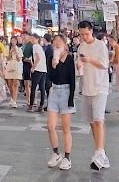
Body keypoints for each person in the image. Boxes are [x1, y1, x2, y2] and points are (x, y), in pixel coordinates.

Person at [77, 20, 110, 171]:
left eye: (86, 34)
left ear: (91, 31)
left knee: (98, 120)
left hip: (100, 87)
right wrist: (79, 65)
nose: (84, 37)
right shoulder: (81, 47)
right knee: (91, 121)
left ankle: (100, 153)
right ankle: (100, 151)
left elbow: (104, 65)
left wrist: (89, 60)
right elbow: (80, 65)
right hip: (87, 87)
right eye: (81, 34)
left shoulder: (100, 45)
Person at [46, 33, 76, 171]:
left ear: (65, 44)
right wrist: (54, 64)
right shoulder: (51, 58)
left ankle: (67, 157)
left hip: (66, 91)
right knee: (50, 126)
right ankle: (56, 153)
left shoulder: (69, 59)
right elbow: (50, 77)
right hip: (54, 91)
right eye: (55, 41)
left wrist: (71, 99)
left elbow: (72, 80)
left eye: (59, 41)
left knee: (65, 128)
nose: (57, 43)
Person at [27, 33, 47, 113]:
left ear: (36, 39)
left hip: (38, 69)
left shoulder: (35, 46)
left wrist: (33, 67)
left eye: (32, 38)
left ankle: (31, 105)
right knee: (42, 88)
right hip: (43, 69)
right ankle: (41, 106)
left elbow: (38, 58)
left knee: (33, 87)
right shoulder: (40, 47)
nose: (31, 40)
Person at [3, 36, 23, 108]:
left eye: (15, 40)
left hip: (16, 66)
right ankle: (12, 98)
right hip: (9, 65)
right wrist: (11, 52)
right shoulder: (7, 48)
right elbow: (7, 59)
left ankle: (14, 100)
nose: (13, 42)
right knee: (9, 84)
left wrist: (16, 52)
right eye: (12, 40)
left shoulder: (19, 49)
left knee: (15, 84)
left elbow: (19, 59)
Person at [21, 33, 33, 104]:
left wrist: (28, 59)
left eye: (25, 36)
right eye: (23, 36)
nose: (24, 37)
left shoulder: (31, 45)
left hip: (30, 65)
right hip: (24, 65)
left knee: (31, 83)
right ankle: (28, 100)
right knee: (26, 83)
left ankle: (32, 99)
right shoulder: (23, 45)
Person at [43, 33, 54, 107]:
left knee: (48, 87)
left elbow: (48, 60)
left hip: (48, 69)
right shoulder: (49, 48)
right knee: (48, 87)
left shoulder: (49, 48)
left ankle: (50, 104)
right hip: (48, 69)